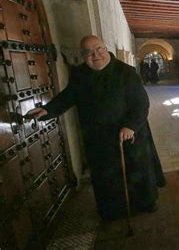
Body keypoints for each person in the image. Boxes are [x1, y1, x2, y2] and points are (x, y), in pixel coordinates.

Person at [26, 35, 165, 221]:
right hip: (98, 138)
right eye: (88, 52)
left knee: (137, 171)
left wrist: (130, 125)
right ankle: (112, 210)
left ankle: (145, 203)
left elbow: (141, 103)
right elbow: (67, 97)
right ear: (83, 56)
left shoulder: (126, 72)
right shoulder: (80, 75)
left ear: (106, 48)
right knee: (105, 176)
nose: (95, 55)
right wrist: (47, 110)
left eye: (98, 49)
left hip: (129, 135)